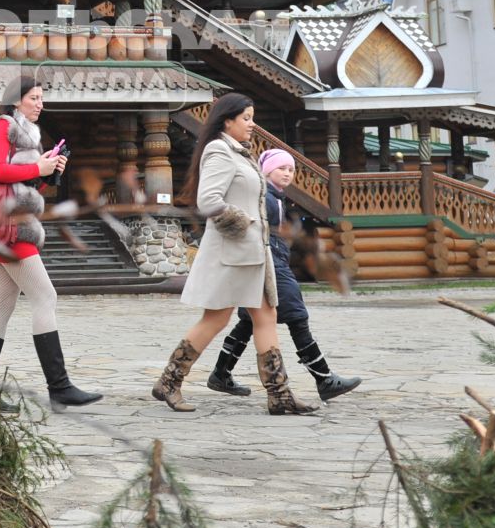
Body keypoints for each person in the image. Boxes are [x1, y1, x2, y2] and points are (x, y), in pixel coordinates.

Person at [150, 94, 315, 416]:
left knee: (266, 317)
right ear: (228, 120)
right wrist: (245, 224)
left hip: (253, 253)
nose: (253, 124)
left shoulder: (240, 154)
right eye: (247, 118)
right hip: (233, 253)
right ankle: (169, 381)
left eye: (252, 117)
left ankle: (279, 394)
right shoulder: (219, 151)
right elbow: (209, 200)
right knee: (216, 318)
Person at [0, 71, 103, 408]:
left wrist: (49, 174)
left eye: (42, 98)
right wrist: (36, 170)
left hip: (12, 222)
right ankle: (59, 388)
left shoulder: (26, 134)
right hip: (11, 228)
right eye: (34, 98)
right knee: (45, 296)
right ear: (17, 100)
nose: (40, 104)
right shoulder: (2, 127)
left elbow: (25, 187)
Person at [205, 149, 361, 402]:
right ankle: (324, 379)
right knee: (297, 317)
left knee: (248, 321)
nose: (287, 173)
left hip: (268, 261)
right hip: (270, 264)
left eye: (290, 169)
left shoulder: (275, 197)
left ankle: (221, 373)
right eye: (281, 168)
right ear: (266, 170)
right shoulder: (265, 197)